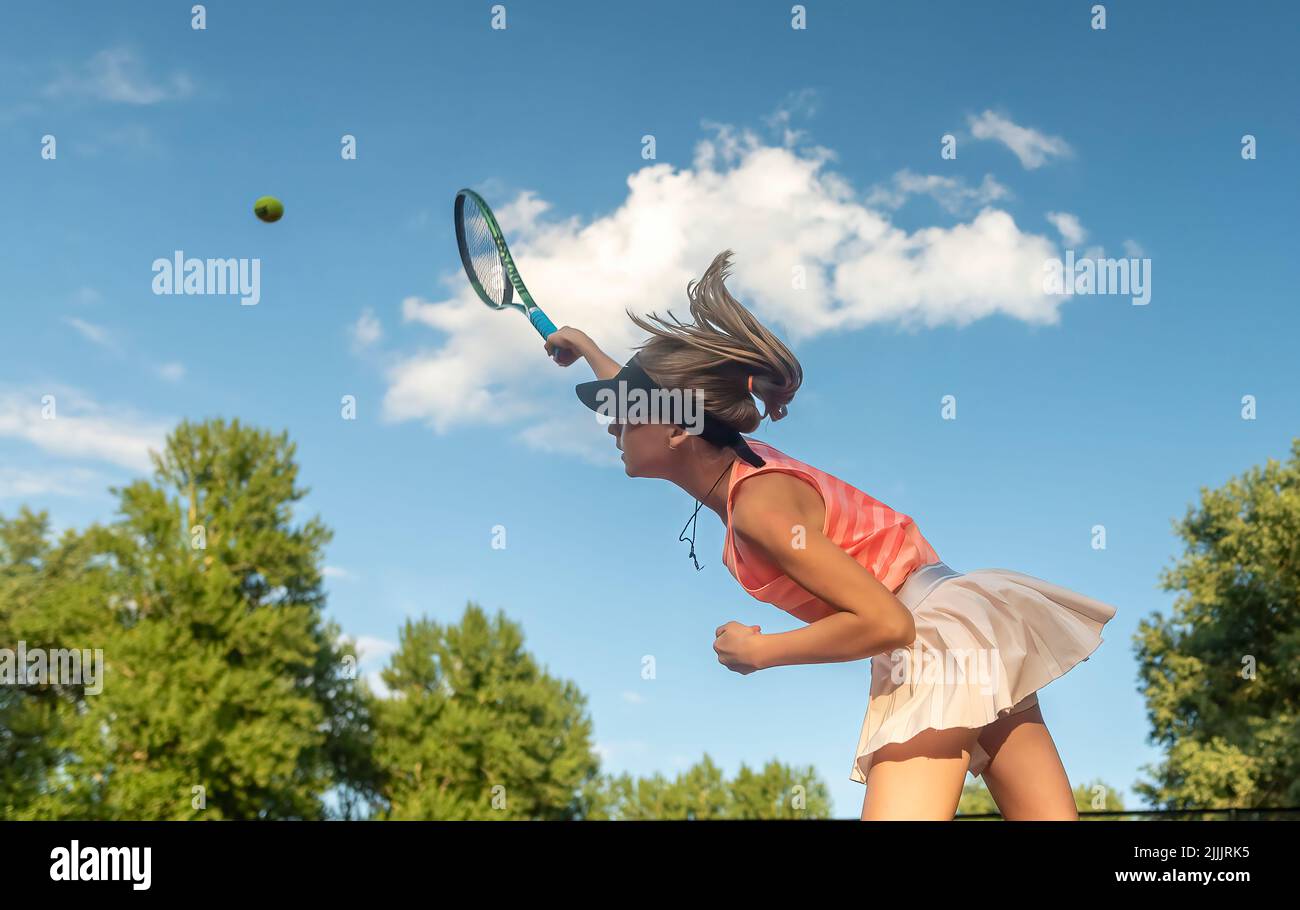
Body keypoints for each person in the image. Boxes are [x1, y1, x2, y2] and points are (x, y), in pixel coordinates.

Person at [546, 250, 1117, 820]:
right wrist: (592, 352)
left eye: (624, 414)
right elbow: (670, 399)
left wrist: (760, 652)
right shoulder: (742, 463)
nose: (614, 424)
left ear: (675, 428)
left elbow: (888, 624)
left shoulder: (758, 510)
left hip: (929, 638)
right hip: (966, 617)